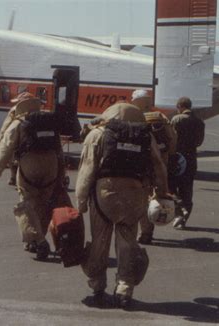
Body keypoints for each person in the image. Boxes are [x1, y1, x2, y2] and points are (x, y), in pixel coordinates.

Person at [76, 102, 168, 308]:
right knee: (127, 242)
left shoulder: (97, 134)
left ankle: (97, 283)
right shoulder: (146, 136)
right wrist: (163, 193)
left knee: (99, 240)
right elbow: (159, 166)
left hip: (104, 194)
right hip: (135, 194)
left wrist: (81, 201)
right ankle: (124, 288)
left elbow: (87, 169)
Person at [0, 97, 66, 259]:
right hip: (51, 164)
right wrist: (61, 173)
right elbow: (59, 149)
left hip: (29, 164)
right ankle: (37, 238)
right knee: (45, 203)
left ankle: (38, 240)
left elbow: (6, 146)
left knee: (26, 203)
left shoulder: (19, 122)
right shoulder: (49, 121)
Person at [131, 89, 177, 245]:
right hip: (158, 165)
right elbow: (172, 140)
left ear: (135, 101)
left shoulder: (132, 117)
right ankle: (147, 232)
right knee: (154, 196)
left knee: (141, 199)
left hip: (138, 165)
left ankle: (142, 232)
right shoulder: (160, 117)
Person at [170, 96, 205, 229]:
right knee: (187, 189)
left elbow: (171, 138)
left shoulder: (176, 119)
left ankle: (178, 210)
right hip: (191, 159)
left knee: (171, 186)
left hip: (177, 157)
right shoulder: (199, 122)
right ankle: (183, 218)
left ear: (180, 106)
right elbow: (199, 142)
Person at [0, 91, 34, 185]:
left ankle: (14, 178)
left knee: (12, 159)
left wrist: (0, 140)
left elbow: (6, 125)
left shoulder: (15, 111)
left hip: (17, 140)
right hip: (32, 144)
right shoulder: (38, 112)